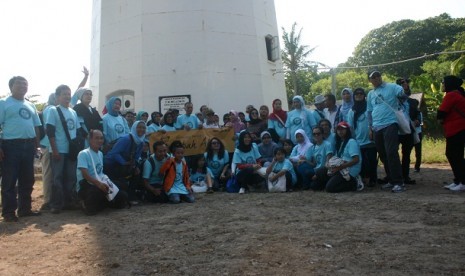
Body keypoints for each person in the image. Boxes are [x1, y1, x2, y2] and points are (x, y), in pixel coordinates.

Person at [0, 76, 42, 222]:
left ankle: (25, 209)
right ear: (11, 86)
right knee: (9, 180)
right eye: (19, 84)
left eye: (25, 84)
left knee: (27, 179)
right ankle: (9, 212)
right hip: (11, 146)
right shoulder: (4, 103)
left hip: (29, 145)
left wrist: (37, 146)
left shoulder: (31, 105)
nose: (23, 86)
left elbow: (36, 126)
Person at [366, 70, 407, 193]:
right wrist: (370, 127)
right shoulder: (371, 94)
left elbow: (403, 96)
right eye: (373, 77)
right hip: (377, 126)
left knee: (391, 152)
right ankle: (391, 179)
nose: (377, 78)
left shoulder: (392, 87)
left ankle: (399, 182)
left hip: (390, 123)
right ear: (370, 80)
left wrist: (405, 89)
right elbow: (369, 111)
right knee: (383, 154)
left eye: (378, 75)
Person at [46, 84, 83, 214]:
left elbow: (77, 131)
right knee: (57, 177)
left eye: (69, 93)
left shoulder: (73, 112)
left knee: (71, 177)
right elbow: (50, 131)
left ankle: (69, 202)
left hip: (71, 151)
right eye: (64, 94)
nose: (67, 96)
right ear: (57, 97)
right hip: (58, 150)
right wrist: (54, 150)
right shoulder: (53, 110)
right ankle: (56, 204)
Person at [76, 129, 128, 215]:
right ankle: (84, 202)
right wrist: (99, 184)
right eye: (96, 138)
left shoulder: (100, 153)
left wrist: (108, 184)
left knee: (122, 196)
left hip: (100, 182)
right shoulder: (83, 154)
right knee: (93, 206)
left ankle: (103, 202)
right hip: (87, 184)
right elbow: (85, 175)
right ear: (90, 140)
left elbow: (100, 173)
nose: (100, 141)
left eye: (101, 138)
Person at [104, 120, 146, 203]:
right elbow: (114, 153)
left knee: (137, 172)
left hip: (125, 164)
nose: (141, 129)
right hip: (111, 164)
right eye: (139, 127)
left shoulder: (141, 142)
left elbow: (136, 157)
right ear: (134, 128)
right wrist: (123, 162)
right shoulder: (126, 139)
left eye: (144, 128)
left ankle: (131, 196)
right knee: (121, 178)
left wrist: (135, 166)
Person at [314, 122, 361, 193]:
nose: (340, 131)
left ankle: (353, 183)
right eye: (338, 129)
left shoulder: (351, 142)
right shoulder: (340, 142)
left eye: (343, 129)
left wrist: (339, 167)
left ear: (347, 130)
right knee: (319, 172)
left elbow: (356, 160)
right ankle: (335, 181)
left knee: (330, 188)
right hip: (340, 167)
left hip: (349, 170)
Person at [437, 75, 465, 191]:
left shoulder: (451, 95)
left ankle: (462, 181)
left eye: (443, 82)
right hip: (458, 129)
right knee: (455, 155)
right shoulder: (458, 94)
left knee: (454, 155)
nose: (442, 85)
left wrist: (440, 119)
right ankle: (458, 180)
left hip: (456, 129)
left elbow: (441, 113)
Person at [347, 88, 378, 187]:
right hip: (358, 141)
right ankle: (363, 179)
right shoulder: (352, 111)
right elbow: (350, 127)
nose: (359, 95)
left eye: (361, 93)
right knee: (362, 162)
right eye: (356, 94)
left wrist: (372, 130)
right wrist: (353, 140)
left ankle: (373, 179)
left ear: (364, 95)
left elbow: (374, 120)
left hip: (370, 140)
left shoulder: (369, 108)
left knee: (372, 160)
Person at [396, 77, 419, 185]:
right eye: (401, 83)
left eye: (405, 83)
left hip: (408, 130)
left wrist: (417, 120)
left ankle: (405, 176)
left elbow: (417, 113)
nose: (404, 84)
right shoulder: (392, 102)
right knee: (392, 154)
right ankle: (393, 176)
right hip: (395, 130)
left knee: (406, 155)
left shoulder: (413, 102)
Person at [39, 93, 56, 210]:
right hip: (48, 145)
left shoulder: (58, 109)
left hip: (50, 144)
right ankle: (47, 200)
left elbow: (75, 95)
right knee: (49, 173)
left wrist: (85, 78)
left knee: (51, 173)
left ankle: (50, 198)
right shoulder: (51, 109)